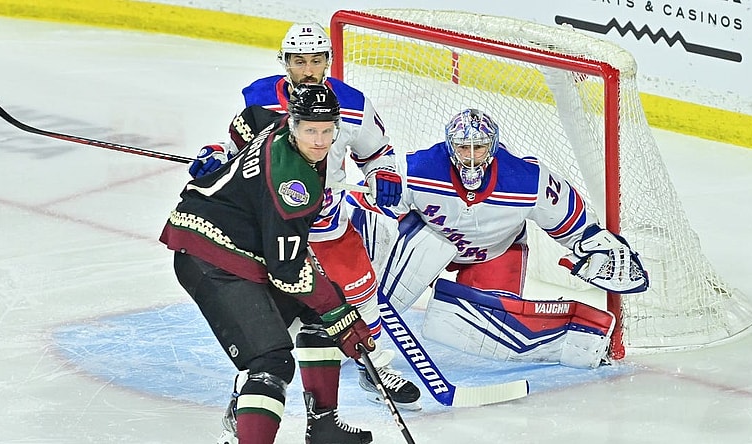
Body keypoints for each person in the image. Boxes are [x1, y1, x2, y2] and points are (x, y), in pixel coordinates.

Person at [188, 21, 421, 422]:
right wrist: (214, 155)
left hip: (327, 221)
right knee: (269, 317)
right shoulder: (261, 97)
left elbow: (378, 153)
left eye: (316, 60)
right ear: (285, 62)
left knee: (361, 299)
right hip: (272, 224)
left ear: (329, 61)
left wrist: (383, 175)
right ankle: (249, 389)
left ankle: (372, 366)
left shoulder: (352, 104)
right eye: (299, 61)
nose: (308, 69)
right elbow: (238, 147)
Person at [348, 108, 649, 369]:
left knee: (470, 328)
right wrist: (358, 267)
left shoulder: (527, 180)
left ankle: (581, 334)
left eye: (478, 148)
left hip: (494, 253)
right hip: (430, 242)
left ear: (492, 147)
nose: (470, 157)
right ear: (450, 146)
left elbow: (579, 228)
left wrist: (597, 249)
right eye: (463, 148)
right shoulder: (417, 170)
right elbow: (363, 206)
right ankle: (345, 320)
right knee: (418, 253)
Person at [160, 84, 375, 444]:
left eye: (327, 130)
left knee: (317, 316)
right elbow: (287, 271)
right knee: (271, 363)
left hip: (242, 248)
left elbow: (250, 118)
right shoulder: (294, 186)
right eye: (310, 130)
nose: (320, 141)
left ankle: (323, 426)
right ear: (294, 125)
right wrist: (342, 314)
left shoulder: (273, 124)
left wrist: (222, 152)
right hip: (209, 257)